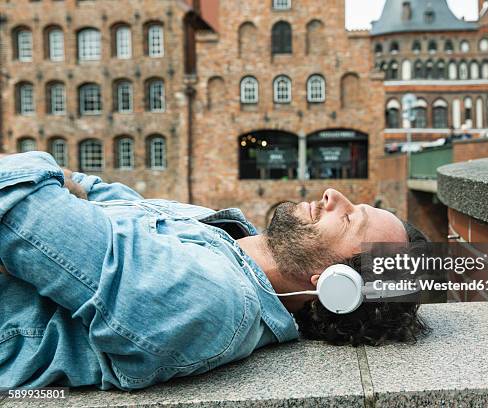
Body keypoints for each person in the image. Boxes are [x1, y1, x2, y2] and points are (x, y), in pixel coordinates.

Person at [0, 151, 427, 391]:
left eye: (350, 219)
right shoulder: (223, 234)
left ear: (334, 285)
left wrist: (54, 183)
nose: (334, 194)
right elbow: (93, 191)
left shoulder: (213, 301)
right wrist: (61, 186)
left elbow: (20, 208)